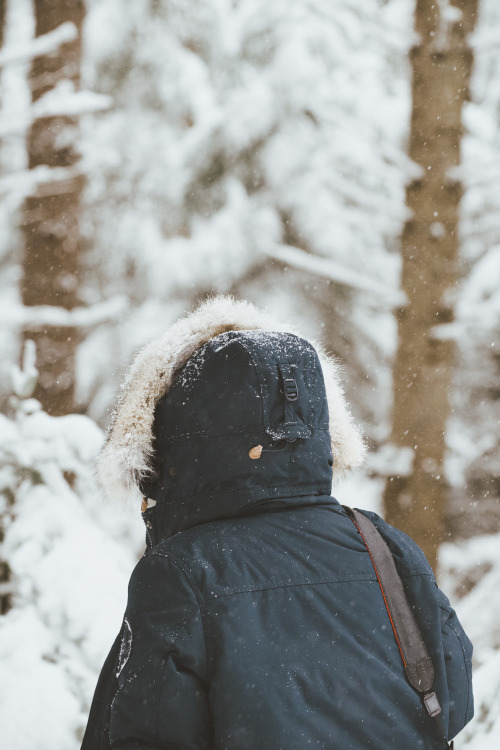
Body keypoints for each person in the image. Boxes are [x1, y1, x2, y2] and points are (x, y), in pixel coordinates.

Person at [81, 296, 473, 750]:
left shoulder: (181, 572)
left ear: (169, 439)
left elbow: (140, 735)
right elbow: (453, 703)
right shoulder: (383, 543)